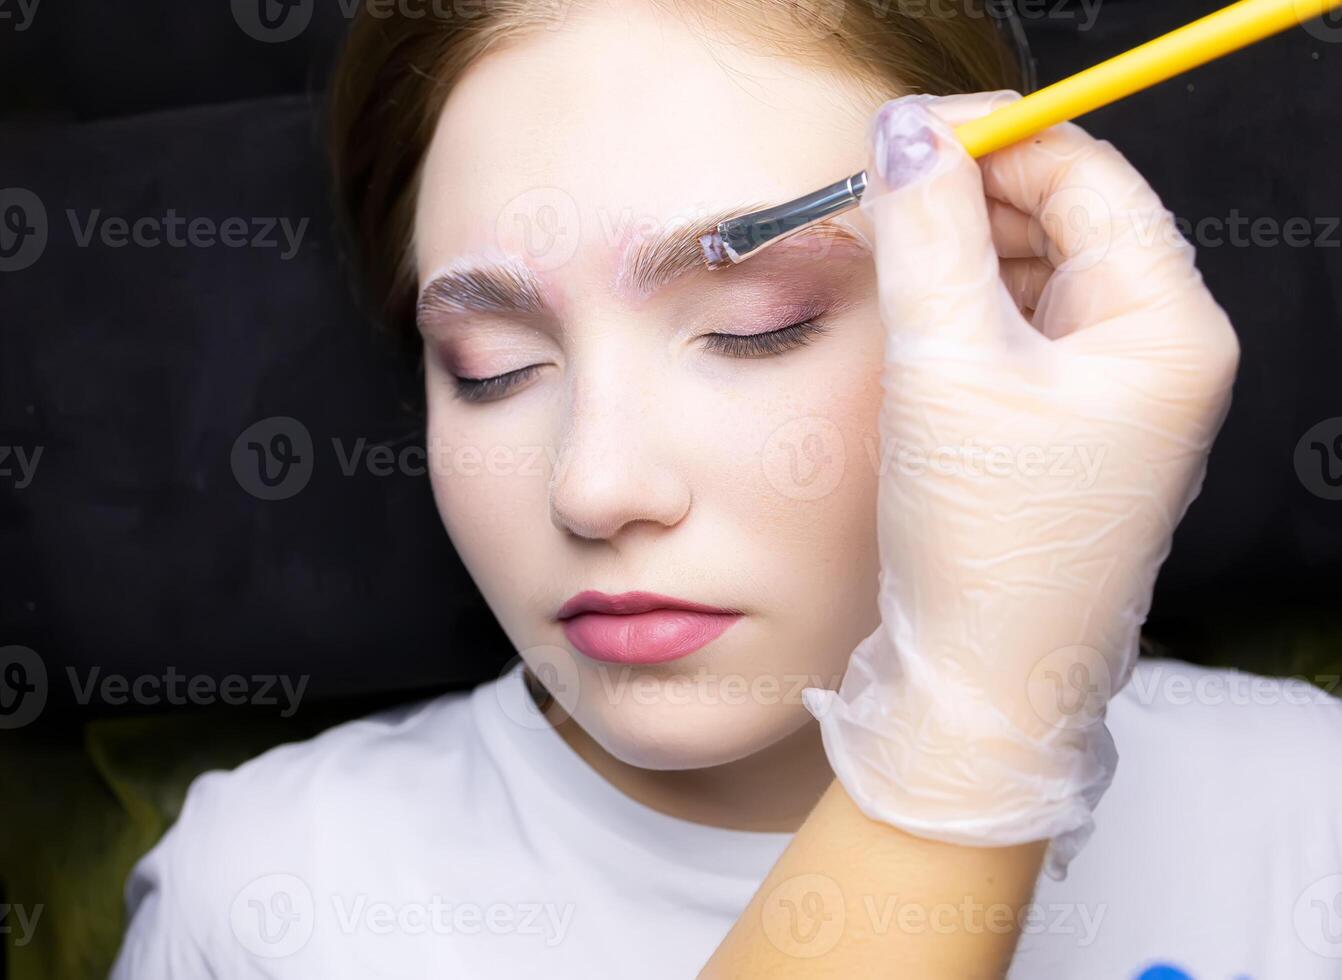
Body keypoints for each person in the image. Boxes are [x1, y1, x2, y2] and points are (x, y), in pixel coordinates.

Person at [111, 2, 1342, 977]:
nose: (596, 487)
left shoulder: (1307, 806)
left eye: (761, 327)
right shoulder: (277, 899)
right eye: (491, 367)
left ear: (1011, 295)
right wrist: (969, 722)